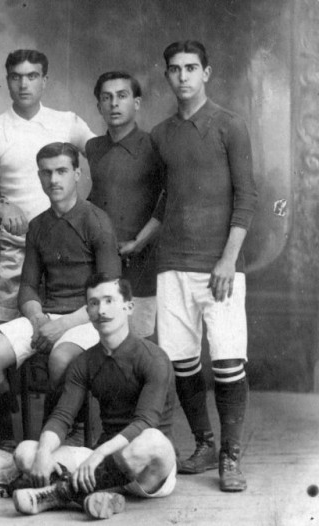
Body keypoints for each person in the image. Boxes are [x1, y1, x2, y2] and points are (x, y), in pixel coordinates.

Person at [151, 40, 257, 492]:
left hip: (220, 266)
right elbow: (162, 198)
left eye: (191, 68)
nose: (183, 77)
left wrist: (228, 259)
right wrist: (138, 241)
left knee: (229, 361)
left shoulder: (230, 126)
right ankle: (204, 444)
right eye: (174, 69)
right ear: (167, 76)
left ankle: (230, 458)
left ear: (207, 73)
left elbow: (248, 197)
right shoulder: (160, 134)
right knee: (182, 362)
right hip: (172, 262)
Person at [0, 142, 120, 451]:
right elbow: (27, 286)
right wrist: (39, 319)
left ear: (77, 174)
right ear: (39, 177)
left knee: (61, 358)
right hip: (46, 316)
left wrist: (63, 325)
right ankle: (7, 442)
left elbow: (108, 294)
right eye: (47, 173)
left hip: (88, 317)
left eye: (62, 171)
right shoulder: (38, 225)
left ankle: (66, 432)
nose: (54, 180)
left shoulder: (96, 221)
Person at [11, 273, 177, 519]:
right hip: (103, 464)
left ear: (128, 307)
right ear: (87, 313)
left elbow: (145, 422)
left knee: (150, 439)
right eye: (94, 303)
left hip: (146, 468)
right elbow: (62, 416)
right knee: (26, 452)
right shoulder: (85, 361)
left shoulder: (154, 358)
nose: (102, 310)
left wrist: (99, 454)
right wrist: (44, 453)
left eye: (110, 300)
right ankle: (95, 496)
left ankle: (58, 494)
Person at [0, 49, 95, 330]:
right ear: (7, 81)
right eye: (16, 77)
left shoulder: (67, 121)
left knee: (66, 334)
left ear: (44, 80)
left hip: (67, 251)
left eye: (32, 76)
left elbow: (107, 159)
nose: (24, 85)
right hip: (16, 250)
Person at [86, 71, 163, 339]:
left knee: (138, 341)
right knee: (102, 338)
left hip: (142, 263)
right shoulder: (93, 147)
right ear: (98, 106)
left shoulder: (154, 146)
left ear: (137, 103)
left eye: (122, 96)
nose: (114, 104)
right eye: (106, 98)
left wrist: (139, 242)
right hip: (103, 262)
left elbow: (167, 202)